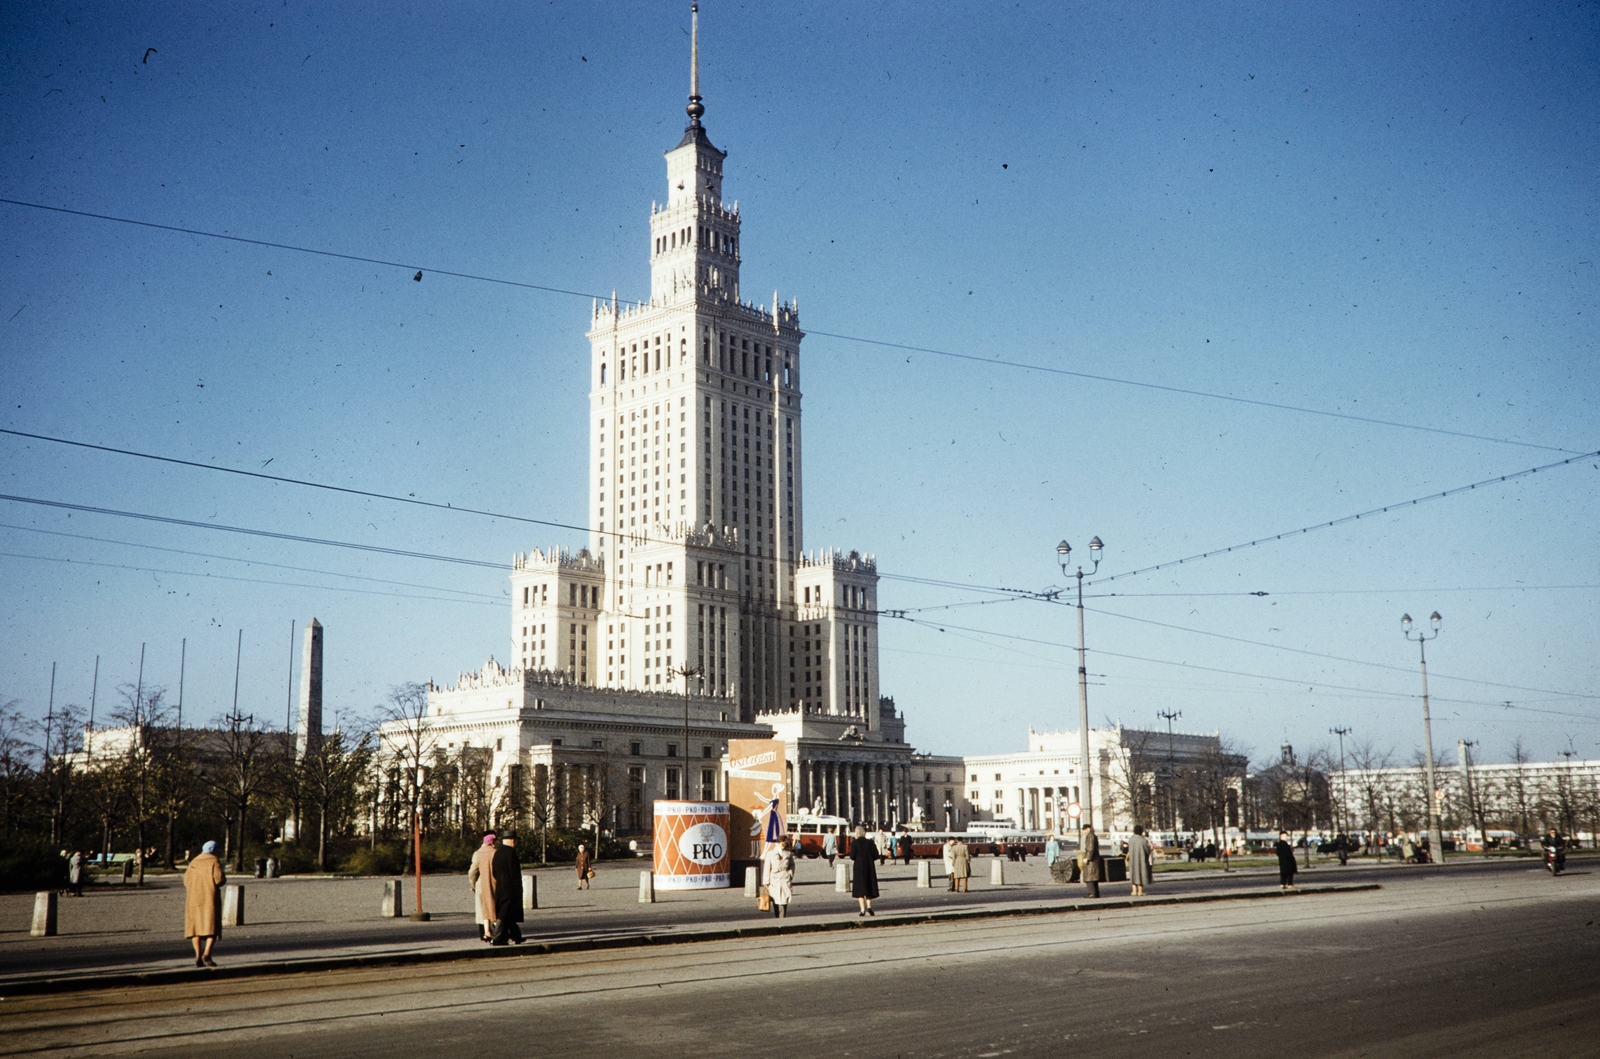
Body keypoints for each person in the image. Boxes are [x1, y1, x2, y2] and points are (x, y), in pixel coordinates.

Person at [183, 840, 225, 967]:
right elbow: (219, 880)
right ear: (215, 851)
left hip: (193, 898)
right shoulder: (214, 861)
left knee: (195, 929)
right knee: (211, 927)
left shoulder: (194, 862)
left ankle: (197, 955)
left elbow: (186, 880)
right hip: (209, 897)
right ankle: (207, 954)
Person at [489, 832, 525, 945]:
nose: (517, 843)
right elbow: (514, 873)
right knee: (505, 914)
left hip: (500, 887)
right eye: (516, 841)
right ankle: (497, 937)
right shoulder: (511, 853)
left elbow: (494, 872)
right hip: (510, 889)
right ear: (512, 841)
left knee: (509, 913)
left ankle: (516, 936)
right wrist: (517, 888)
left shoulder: (498, 853)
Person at [468, 832, 497, 942]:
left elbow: (472, 871)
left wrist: (473, 884)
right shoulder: (496, 853)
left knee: (482, 910)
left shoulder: (478, 853)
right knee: (494, 908)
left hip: (481, 883)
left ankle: (485, 933)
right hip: (495, 883)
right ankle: (498, 932)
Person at [762, 835, 796, 918]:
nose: (783, 844)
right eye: (782, 842)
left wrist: (790, 874)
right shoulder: (770, 854)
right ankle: (777, 917)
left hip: (785, 878)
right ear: (778, 843)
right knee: (775, 900)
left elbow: (792, 865)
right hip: (774, 880)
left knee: (784, 901)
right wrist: (766, 881)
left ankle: (782, 918)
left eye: (785, 842)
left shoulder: (788, 854)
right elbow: (767, 868)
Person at [849, 825, 880, 916]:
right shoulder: (870, 842)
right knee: (869, 886)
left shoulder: (854, 843)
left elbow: (852, 856)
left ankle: (862, 910)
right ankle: (869, 907)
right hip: (869, 866)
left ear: (857, 833)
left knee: (860, 889)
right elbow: (876, 855)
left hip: (859, 867)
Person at [1126, 825, 1153, 897]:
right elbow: (1147, 850)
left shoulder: (1131, 840)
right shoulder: (1143, 840)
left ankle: (1134, 891)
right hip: (1141, 859)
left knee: (1134, 874)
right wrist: (1150, 848)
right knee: (1141, 874)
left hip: (1133, 860)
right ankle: (1140, 891)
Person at [1077, 825, 1103, 898]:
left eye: (1085, 829)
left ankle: (1091, 893)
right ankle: (1096, 893)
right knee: (1093, 877)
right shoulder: (1093, 835)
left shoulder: (1090, 836)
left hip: (1091, 861)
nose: (1084, 831)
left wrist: (1087, 858)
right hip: (1095, 860)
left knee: (1089, 877)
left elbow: (1090, 848)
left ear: (1088, 829)